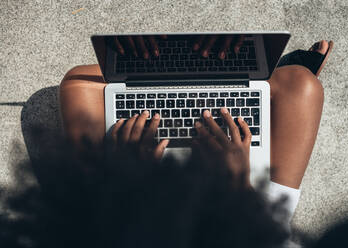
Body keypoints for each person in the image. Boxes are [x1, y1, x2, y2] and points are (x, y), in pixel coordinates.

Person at [59, 39, 333, 217]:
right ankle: (238, 73)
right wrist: (238, 186)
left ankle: (170, 66)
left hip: (135, 211)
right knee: (302, 84)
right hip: (249, 215)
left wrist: (125, 185)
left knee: (78, 84)